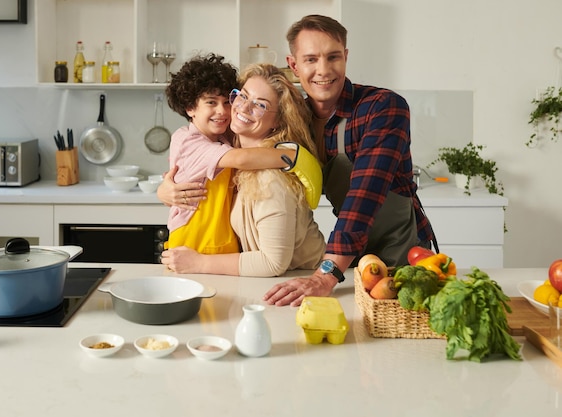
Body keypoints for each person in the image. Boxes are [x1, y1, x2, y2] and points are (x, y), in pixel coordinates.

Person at [261, 14, 437, 306]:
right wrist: (173, 183)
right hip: (351, 259)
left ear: (345, 56)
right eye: (311, 59)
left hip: (403, 255)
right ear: (293, 65)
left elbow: (364, 194)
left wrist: (326, 274)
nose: (323, 70)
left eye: (333, 57)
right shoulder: (296, 121)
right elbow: (242, 142)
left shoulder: (382, 107)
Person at [160, 63, 326, 276]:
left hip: (300, 282)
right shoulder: (220, 145)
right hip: (258, 281)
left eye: (261, 105)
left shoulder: (270, 178)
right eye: (243, 96)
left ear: (277, 120)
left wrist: (199, 263)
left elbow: (273, 263)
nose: (243, 108)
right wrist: (164, 191)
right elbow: (238, 159)